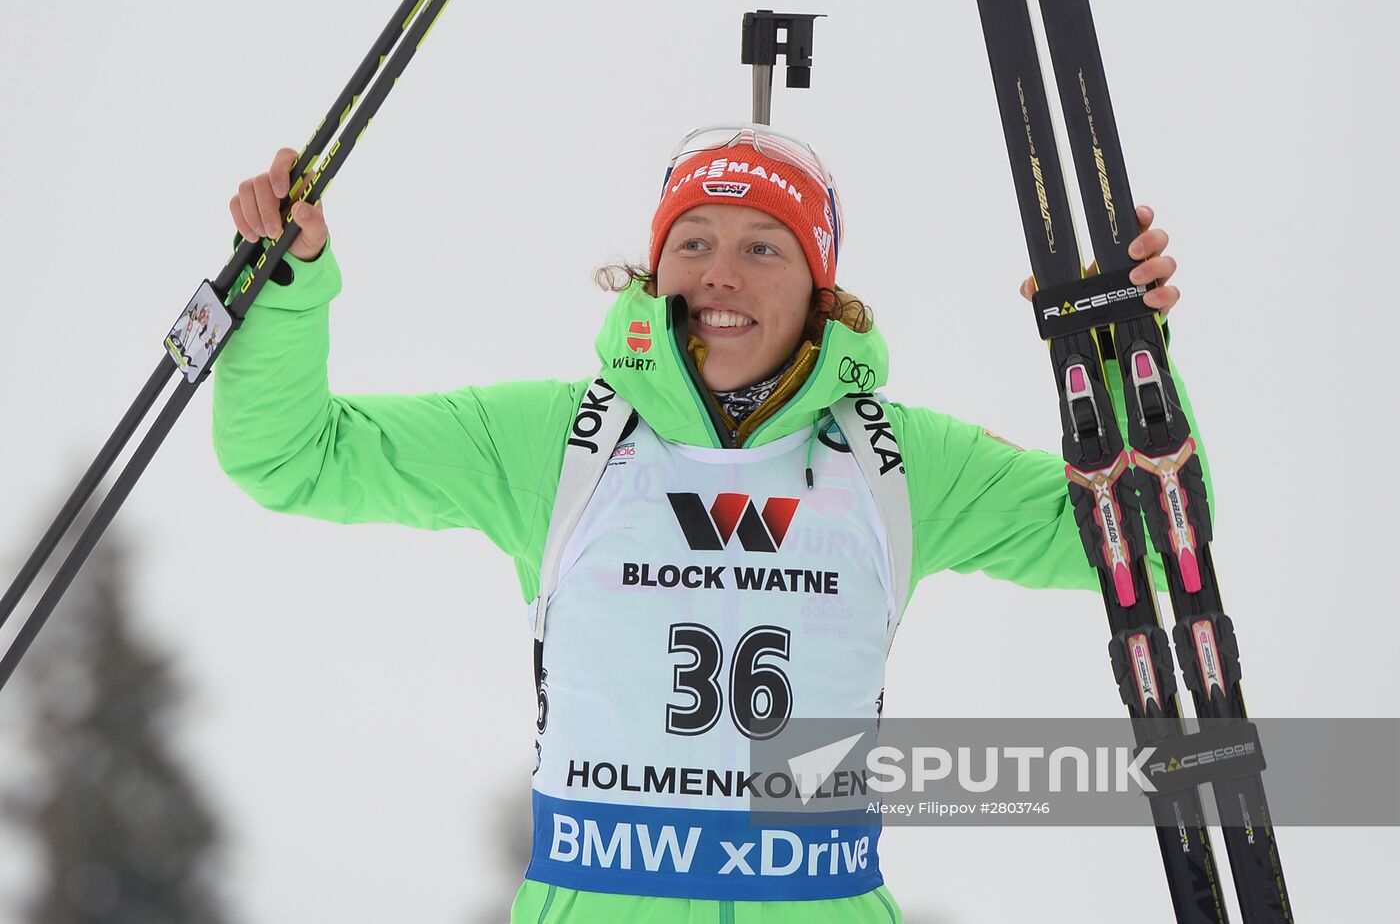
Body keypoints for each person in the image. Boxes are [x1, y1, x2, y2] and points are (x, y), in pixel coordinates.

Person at [214, 125, 1194, 923]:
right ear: (654, 272)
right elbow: (296, 454)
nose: (719, 273)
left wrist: (1113, 346)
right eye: (693, 242)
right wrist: (286, 283)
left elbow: (1148, 541)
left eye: (761, 245)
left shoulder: (895, 459)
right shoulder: (556, 439)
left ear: (820, 287)